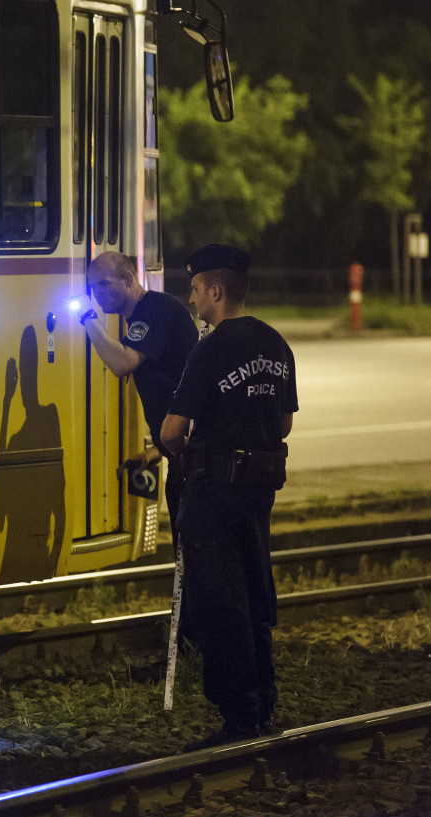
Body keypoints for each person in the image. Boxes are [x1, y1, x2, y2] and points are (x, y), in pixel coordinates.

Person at [159, 244, 298, 751]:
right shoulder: (277, 343)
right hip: (260, 489)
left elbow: (173, 429)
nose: (191, 297)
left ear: (216, 291)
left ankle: (238, 716)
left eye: (195, 289)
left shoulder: (211, 348)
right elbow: (283, 422)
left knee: (220, 602)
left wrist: (181, 443)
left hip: (214, 490)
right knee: (256, 591)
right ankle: (263, 703)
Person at [76, 252, 198, 539]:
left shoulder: (153, 309)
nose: (97, 294)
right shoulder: (148, 313)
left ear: (128, 280)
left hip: (193, 459)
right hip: (182, 452)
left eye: (103, 285)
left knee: (192, 554)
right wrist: (158, 450)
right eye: (92, 288)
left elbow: (122, 363)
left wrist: (87, 318)